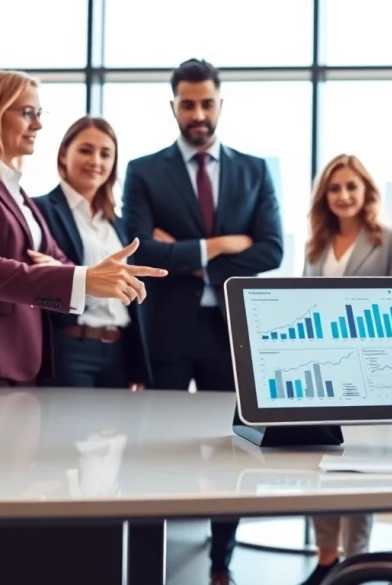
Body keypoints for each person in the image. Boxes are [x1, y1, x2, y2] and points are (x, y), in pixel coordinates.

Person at [121, 58, 283, 585]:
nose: (197, 113)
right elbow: (143, 251)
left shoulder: (254, 169)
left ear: (220, 104)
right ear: (173, 106)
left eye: (206, 103)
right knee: (154, 450)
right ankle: (150, 557)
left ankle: (220, 561)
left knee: (236, 448)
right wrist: (218, 245)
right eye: (187, 104)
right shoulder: (144, 171)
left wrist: (183, 251)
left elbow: (272, 251)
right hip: (166, 332)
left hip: (231, 334)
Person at [0, 69, 166, 389]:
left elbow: (59, 261)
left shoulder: (14, 191)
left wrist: (86, 275)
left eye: (39, 114)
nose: (39, 124)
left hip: (18, 357)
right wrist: (85, 277)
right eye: (27, 113)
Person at [299, 154, 392, 585]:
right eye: (335, 188)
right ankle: (327, 558)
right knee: (319, 464)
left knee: (362, 465)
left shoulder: (391, 240)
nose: (343, 196)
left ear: (366, 192)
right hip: (321, 371)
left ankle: (356, 562)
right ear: (324, 196)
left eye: (351, 187)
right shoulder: (315, 245)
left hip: (370, 370)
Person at [31, 116, 152, 390]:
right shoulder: (40, 211)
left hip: (118, 351)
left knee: (121, 433)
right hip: (69, 348)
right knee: (68, 432)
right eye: (86, 150)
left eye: (105, 154)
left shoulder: (118, 224)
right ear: (64, 154)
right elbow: (34, 276)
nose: (96, 161)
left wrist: (136, 365)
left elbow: (128, 298)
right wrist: (63, 275)